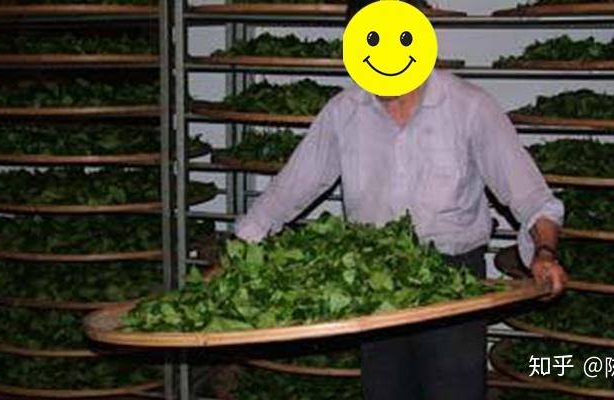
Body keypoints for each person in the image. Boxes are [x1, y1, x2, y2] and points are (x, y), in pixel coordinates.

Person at [235, 0, 568, 398]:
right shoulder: (344, 113)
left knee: (455, 390)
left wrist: (544, 252)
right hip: (376, 283)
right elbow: (286, 192)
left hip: (452, 282)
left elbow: (530, 196)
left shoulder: (469, 107)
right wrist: (237, 253)